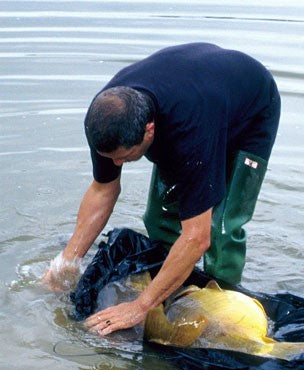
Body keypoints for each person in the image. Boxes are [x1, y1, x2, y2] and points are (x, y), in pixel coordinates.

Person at [43, 42, 281, 336]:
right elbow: (104, 189)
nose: (117, 163)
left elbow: (197, 238)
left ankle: (220, 310)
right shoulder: (107, 118)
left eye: (125, 156)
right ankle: (169, 293)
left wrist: (139, 307)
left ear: (149, 131)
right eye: (111, 157)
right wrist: (67, 261)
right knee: (159, 219)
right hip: (196, 97)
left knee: (220, 230)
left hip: (250, 111)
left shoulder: (189, 136)